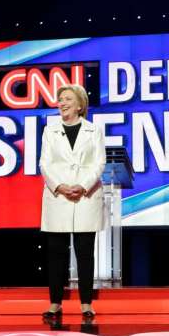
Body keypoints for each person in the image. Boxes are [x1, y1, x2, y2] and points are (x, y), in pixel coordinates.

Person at [39, 84, 106, 320]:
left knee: (85, 254)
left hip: (85, 196)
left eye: (67, 99)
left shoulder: (93, 130)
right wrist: (60, 186)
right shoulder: (50, 131)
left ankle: (86, 303)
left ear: (80, 105)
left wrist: (82, 185)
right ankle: (55, 303)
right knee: (56, 253)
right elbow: (44, 164)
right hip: (58, 197)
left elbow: (99, 163)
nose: (62, 103)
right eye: (60, 99)